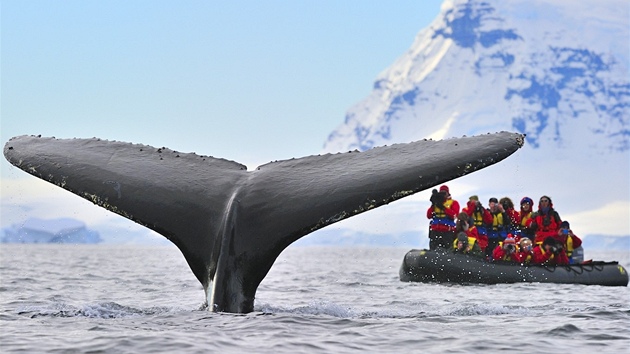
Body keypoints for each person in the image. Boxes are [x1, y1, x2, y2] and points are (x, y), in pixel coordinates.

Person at [426, 185, 460, 250]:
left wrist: (443, 208)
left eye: (444, 192)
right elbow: (428, 215)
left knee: (448, 250)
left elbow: (454, 215)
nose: (443, 194)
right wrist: (433, 204)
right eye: (441, 192)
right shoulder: (436, 203)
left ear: (448, 193)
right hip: (435, 231)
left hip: (447, 232)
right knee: (433, 250)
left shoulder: (454, 203)